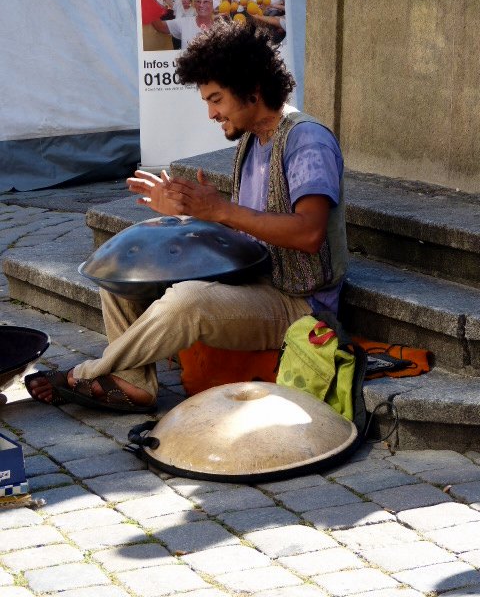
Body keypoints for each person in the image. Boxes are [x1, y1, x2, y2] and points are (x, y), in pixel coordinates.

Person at [24, 21, 348, 413]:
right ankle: (135, 383)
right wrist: (182, 216)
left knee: (188, 301)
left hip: (301, 307)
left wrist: (219, 209)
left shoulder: (306, 140)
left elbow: (309, 233)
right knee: (124, 268)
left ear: (252, 89)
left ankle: (89, 372)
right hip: (255, 283)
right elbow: (247, 233)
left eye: (216, 99)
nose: (211, 113)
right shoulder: (252, 140)